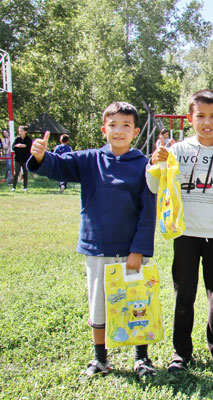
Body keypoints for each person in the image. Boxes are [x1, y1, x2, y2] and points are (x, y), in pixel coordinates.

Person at [27, 102, 157, 378]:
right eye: (113, 125)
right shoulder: (89, 159)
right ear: (103, 130)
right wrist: (40, 156)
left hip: (131, 250)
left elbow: (149, 211)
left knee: (137, 303)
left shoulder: (144, 165)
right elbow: (58, 166)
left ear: (135, 132)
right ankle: (100, 359)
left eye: (125, 125)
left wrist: (139, 250)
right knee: (98, 305)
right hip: (98, 248)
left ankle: (141, 358)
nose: (118, 131)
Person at [147, 89, 213, 372]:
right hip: (185, 235)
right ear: (190, 119)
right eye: (201, 116)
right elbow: (155, 187)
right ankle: (181, 353)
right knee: (184, 295)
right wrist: (156, 162)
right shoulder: (176, 151)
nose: (207, 122)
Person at [11, 125, 32, 192]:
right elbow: (13, 147)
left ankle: (25, 187)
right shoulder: (17, 139)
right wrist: (17, 146)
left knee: (25, 173)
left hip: (25, 159)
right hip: (17, 158)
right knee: (16, 173)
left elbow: (30, 149)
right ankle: (14, 187)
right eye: (19, 131)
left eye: (22, 131)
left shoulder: (28, 140)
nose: (20, 132)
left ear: (25, 132)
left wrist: (24, 146)